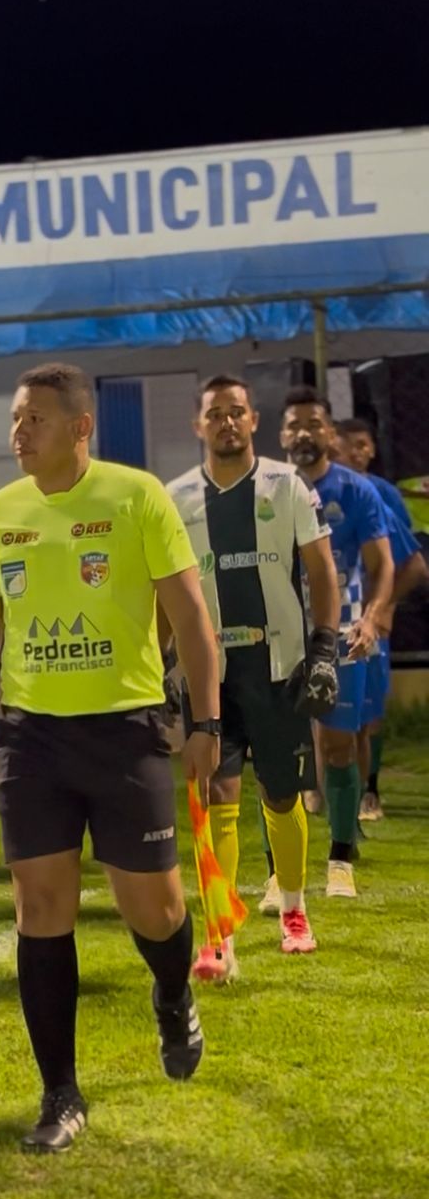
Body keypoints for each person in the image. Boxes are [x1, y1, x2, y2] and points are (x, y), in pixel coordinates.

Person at [0, 362, 220, 1155]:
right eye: (15, 418)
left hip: (125, 733)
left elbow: (190, 616)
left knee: (155, 911)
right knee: (40, 910)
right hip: (31, 741)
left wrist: (206, 722)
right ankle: (59, 1093)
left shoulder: (137, 497)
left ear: (80, 426)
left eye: (34, 418)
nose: (19, 432)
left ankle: (172, 993)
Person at [166, 375, 340, 980]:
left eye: (236, 411)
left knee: (281, 794)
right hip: (209, 673)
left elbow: (320, 569)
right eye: (215, 413)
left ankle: (293, 909)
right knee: (217, 791)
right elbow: (164, 592)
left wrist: (324, 648)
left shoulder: (285, 485)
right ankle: (219, 936)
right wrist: (162, 663)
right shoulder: (176, 498)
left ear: (253, 420)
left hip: (278, 667)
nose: (227, 422)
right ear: (198, 425)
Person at [280, 389, 393, 898]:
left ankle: (341, 858)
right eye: (294, 424)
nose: (304, 432)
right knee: (279, 750)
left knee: (338, 745)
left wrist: (372, 617)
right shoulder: (268, 489)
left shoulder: (356, 491)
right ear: (281, 434)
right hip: (282, 635)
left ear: (330, 433)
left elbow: (382, 564)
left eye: (314, 423)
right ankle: (279, 871)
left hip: (343, 634)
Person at [334, 418, 428, 821]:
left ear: (372, 449)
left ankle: (369, 791)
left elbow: (408, 562)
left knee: (367, 711)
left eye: (363, 444)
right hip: (326, 619)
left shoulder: (379, 495)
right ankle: (324, 789)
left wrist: (383, 607)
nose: (356, 452)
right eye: (348, 444)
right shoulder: (314, 491)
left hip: (366, 618)